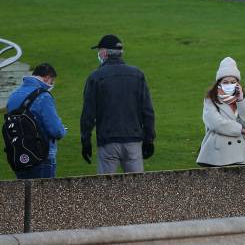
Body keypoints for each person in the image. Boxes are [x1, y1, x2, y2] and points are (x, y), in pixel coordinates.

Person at [80, 34, 156, 174]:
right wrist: (149, 139)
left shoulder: (95, 77)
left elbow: (88, 114)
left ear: (103, 52)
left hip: (108, 142)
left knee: (106, 191)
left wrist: (86, 141)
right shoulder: (137, 75)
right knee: (137, 190)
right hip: (133, 141)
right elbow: (147, 111)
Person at [5, 63, 66, 179]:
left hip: (18, 154)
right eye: (51, 81)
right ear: (47, 77)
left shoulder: (13, 96)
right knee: (43, 195)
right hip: (42, 155)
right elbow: (55, 130)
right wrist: (63, 130)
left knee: (25, 195)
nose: (51, 85)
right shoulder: (43, 96)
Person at [196, 57, 245, 167]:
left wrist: (241, 100)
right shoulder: (210, 99)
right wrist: (239, 129)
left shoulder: (239, 99)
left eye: (233, 82)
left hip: (239, 152)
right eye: (226, 82)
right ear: (219, 83)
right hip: (217, 153)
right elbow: (215, 123)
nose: (229, 84)